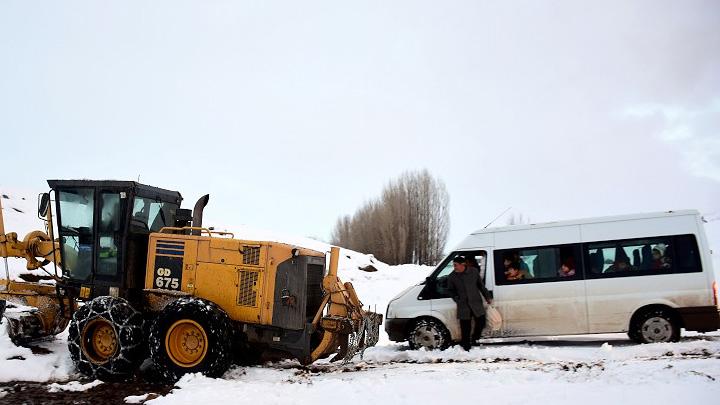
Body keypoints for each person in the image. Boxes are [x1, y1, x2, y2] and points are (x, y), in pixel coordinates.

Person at [448, 256, 492, 351]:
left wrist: (487, 296)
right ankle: (466, 345)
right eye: (453, 265)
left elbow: (481, 286)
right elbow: (450, 290)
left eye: (456, 265)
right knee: (465, 327)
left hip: (476, 303)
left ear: (462, 265)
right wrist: (456, 298)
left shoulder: (474, 271)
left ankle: (475, 338)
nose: (454, 267)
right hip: (463, 305)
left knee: (481, 322)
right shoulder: (452, 276)